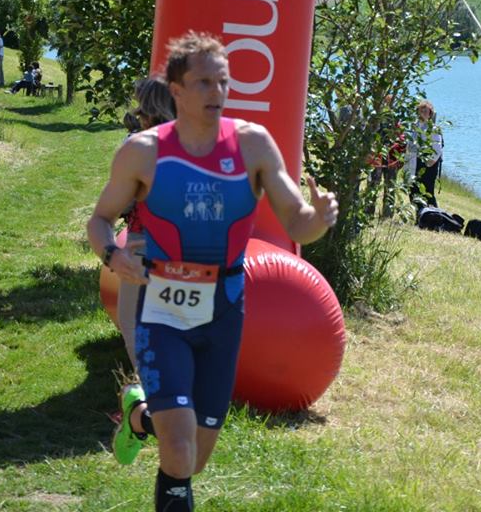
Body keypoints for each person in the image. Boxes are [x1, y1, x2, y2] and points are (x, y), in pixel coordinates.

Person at [87, 32, 338, 512]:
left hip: (223, 312)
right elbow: (100, 220)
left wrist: (319, 219)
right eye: (203, 82)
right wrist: (112, 256)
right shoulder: (143, 151)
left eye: (222, 81)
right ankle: (156, 429)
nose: (216, 92)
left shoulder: (252, 145)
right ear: (176, 90)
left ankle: (139, 415)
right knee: (179, 450)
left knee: (195, 456)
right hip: (161, 309)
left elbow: (296, 223)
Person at [116, 77, 177, 371]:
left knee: (133, 324)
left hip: (143, 244)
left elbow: (122, 201)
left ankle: (153, 393)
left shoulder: (141, 147)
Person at [407, 99, 443, 207]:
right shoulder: (415, 126)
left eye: (425, 111)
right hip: (415, 161)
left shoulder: (433, 128)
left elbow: (437, 149)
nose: (422, 113)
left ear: (430, 114)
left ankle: (434, 214)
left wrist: (429, 163)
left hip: (428, 163)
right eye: (421, 111)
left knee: (428, 193)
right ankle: (419, 214)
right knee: (413, 190)